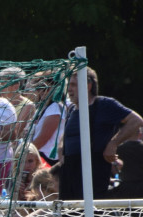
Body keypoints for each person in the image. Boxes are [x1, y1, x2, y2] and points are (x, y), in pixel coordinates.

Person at [59, 68, 143, 201]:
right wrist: (61, 153)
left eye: (73, 85)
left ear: (88, 85)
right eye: (68, 85)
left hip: (93, 171)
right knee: (68, 215)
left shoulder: (104, 104)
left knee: (90, 215)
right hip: (69, 171)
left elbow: (136, 120)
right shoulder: (72, 109)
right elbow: (66, 137)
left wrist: (113, 144)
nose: (69, 89)